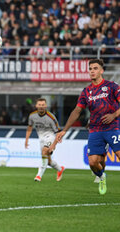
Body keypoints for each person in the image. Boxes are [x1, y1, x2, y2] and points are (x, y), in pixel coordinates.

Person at [54, 59, 120, 195]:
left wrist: (114, 115)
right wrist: (64, 130)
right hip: (95, 130)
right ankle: (102, 177)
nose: (92, 71)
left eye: (95, 68)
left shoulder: (112, 86)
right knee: (93, 162)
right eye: (90, 69)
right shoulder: (86, 91)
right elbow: (77, 111)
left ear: (101, 71)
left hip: (113, 127)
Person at [25, 98, 65, 182]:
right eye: (39, 105)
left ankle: (39, 176)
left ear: (46, 106)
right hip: (41, 139)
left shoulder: (51, 117)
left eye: (43, 105)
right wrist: (26, 140)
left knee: (44, 151)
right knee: (49, 161)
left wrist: (54, 144)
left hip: (50, 137)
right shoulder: (32, 116)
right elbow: (29, 127)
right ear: (36, 106)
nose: (41, 107)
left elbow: (58, 131)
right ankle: (60, 169)